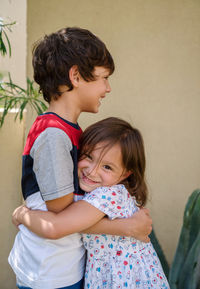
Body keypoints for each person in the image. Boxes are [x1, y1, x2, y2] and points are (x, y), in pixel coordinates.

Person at [9, 28, 152, 289]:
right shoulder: (53, 134)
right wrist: (124, 226)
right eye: (103, 78)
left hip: (62, 265)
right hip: (49, 272)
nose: (107, 88)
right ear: (75, 76)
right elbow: (61, 214)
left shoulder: (71, 132)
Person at [13, 117, 169, 289]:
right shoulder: (98, 193)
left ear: (125, 174)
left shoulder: (108, 195)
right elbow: (80, 223)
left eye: (107, 167)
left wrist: (22, 214)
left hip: (124, 279)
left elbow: (58, 226)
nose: (92, 171)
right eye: (88, 156)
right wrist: (127, 226)